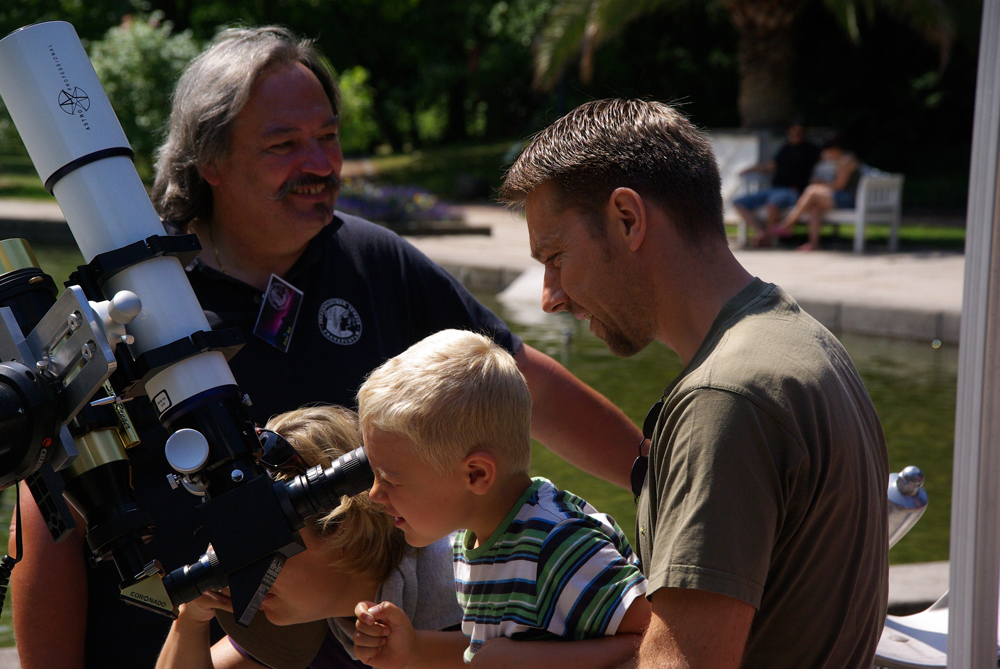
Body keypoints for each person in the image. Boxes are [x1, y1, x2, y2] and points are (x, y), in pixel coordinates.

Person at [10, 27, 643, 669]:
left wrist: (669, 489)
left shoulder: (377, 264)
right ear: (212, 162)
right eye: (284, 145)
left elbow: (527, 389)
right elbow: (52, 520)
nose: (318, 164)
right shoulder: (127, 303)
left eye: (328, 137)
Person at [498, 99, 889, 668]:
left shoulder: (723, 399)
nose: (550, 296)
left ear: (628, 219)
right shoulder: (804, 342)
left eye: (556, 257)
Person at [353, 329, 650, 669]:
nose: (374, 494)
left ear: (476, 474)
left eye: (390, 479)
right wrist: (414, 650)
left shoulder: (559, 546)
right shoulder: (475, 541)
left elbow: (663, 634)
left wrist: (525, 661)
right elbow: (488, 652)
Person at [155, 405, 462, 669]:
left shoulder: (468, 578)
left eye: (257, 539)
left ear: (339, 526)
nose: (239, 561)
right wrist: (191, 619)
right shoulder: (310, 615)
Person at [732, 121, 820, 247]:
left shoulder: (811, 149)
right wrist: (751, 169)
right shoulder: (785, 148)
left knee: (773, 204)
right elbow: (772, 166)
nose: (796, 134)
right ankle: (760, 233)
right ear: (789, 132)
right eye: (793, 131)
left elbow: (825, 159)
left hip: (792, 191)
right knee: (738, 202)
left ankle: (768, 239)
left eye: (800, 132)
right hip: (774, 189)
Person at [772, 135, 861, 251]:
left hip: (849, 199)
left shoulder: (846, 161)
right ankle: (813, 243)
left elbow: (839, 186)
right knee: (814, 208)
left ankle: (789, 223)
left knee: (812, 191)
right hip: (842, 197)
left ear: (834, 148)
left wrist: (820, 185)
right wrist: (822, 184)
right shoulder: (842, 161)